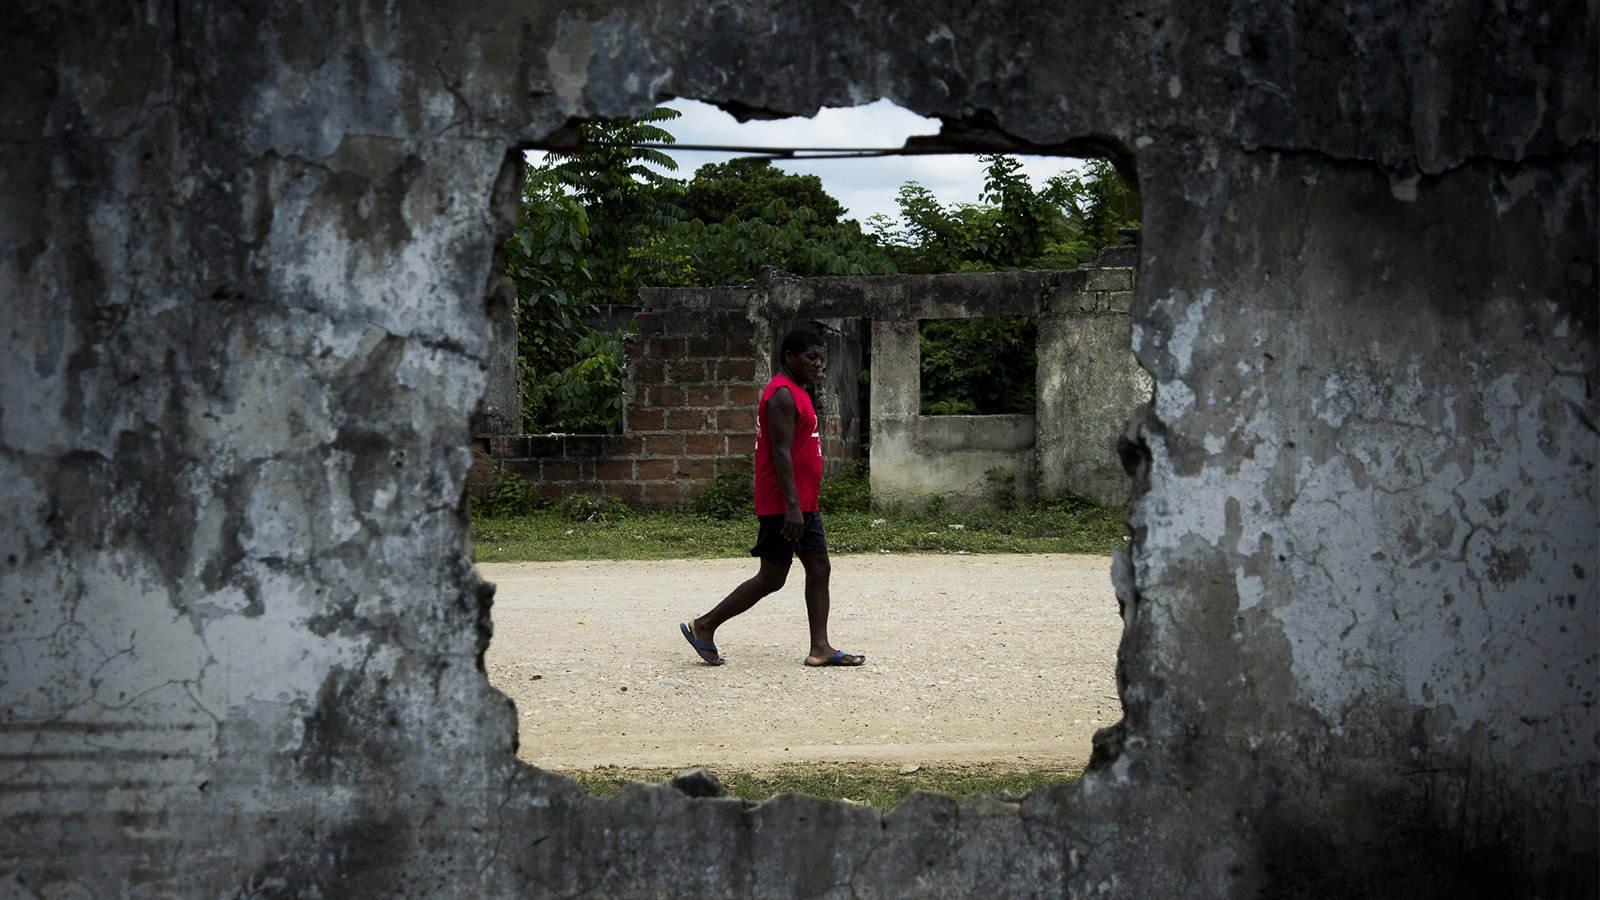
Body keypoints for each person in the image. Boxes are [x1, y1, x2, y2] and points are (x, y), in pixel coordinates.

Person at [679, 328, 866, 668]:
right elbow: (780, 454)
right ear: (789, 357)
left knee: (819, 568)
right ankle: (703, 626)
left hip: (803, 502)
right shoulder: (781, 394)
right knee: (771, 577)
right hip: (785, 505)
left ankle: (820, 648)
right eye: (811, 357)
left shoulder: (798, 392)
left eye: (821, 357)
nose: (818, 364)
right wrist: (792, 506)